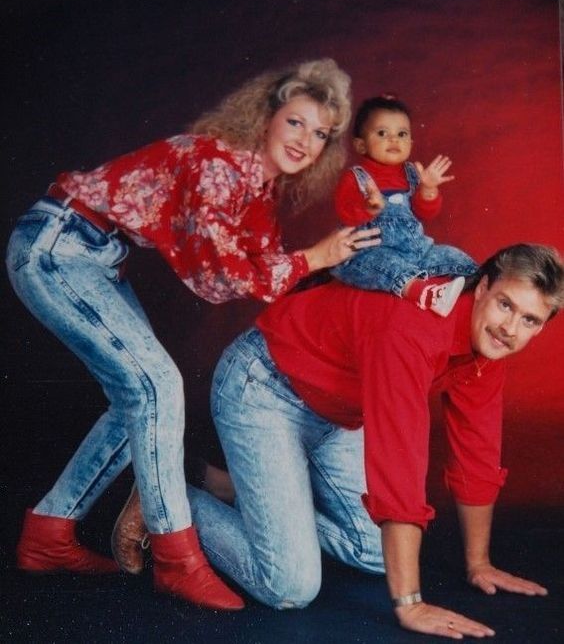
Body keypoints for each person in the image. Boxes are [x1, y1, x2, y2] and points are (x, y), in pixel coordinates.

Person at [6, 58, 379, 610]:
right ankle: (177, 557)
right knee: (157, 387)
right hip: (58, 245)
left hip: (96, 255)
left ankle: (48, 534)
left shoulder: (258, 191)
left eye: (322, 134)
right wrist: (314, 255)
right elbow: (219, 280)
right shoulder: (219, 163)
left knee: (137, 397)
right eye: (296, 122)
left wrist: (348, 238)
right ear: (267, 116)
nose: (306, 140)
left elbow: (273, 271)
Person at [179, 243, 560, 638]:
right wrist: (410, 604)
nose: (510, 329)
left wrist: (479, 564)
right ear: (481, 288)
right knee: (288, 585)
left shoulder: (487, 347)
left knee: (376, 551)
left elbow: (476, 454)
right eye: (505, 305)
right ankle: (172, 500)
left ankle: (228, 486)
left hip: (338, 413)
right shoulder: (416, 324)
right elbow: (399, 462)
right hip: (265, 387)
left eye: (530, 320)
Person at [331, 95, 477, 316]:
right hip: (371, 252)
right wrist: (368, 208)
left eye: (402, 134)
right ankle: (425, 293)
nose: (394, 140)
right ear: (360, 144)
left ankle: (480, 284)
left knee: (453, 256)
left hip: (417, 251)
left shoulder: (413, 173)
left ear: (410, 143)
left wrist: (428, 189)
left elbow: (425, 212)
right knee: (386, 267)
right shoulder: (356, 177)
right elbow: (345, 214)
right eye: (382, 133)